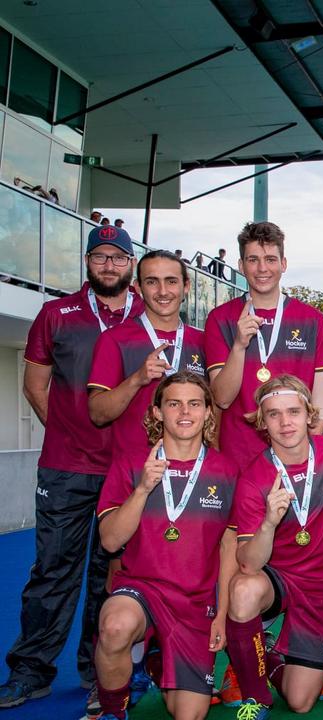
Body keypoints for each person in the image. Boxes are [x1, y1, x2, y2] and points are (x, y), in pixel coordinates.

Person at [1, 225, 142, 712]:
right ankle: (30, 670)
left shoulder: (149, 316)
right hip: (67, 467)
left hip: (125, 470)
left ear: (130, 264)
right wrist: (68, 429)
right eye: (99, 256)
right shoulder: (55, 314)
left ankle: (96, 672)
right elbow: (34, 385)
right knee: (53, 570)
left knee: (113, 575)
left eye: (117, 258)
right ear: (87, 262)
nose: (109, 265)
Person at [223, 375, 323, 719]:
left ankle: (269, 656)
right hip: (275, 577)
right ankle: (256, 697)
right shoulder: (254, 478)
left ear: (309, 414)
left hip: (319, 585)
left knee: (301, 702)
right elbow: (247, 562)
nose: (285, 422)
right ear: (262, 423)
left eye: (292, 411)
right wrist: (268, 524)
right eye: (273, 414)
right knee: (243, 590)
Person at [92, 372, 238, 720]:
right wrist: (142, 489)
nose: (184, 412)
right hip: (142, 590)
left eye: (194, 404)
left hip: (195, 602)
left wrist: (222, 615)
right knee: (114, 627)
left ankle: (157, 659)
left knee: (189, 714)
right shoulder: (130, 464)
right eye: (173, 403)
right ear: (157, 412)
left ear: (207, 412)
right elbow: (110, 539)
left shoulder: (228, 471)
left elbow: (229, 546)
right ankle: (113, 711)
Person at [205, 222, 323, 470]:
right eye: (253, 260)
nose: (262, 268)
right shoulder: (220, 318)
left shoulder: (312, 320)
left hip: (296, 457)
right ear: (241, 266)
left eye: (270, 259)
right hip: (238, 459)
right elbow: (222, 399)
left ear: (283, 263)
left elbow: (322, 399)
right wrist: (239, 346)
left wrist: (305, 450)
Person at [89, 249, 207, 460]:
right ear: (138, 287)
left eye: (171, 281)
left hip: (193, 472)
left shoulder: (203, 341)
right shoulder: (115, 339)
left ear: (186, 286)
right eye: (152, 282)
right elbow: (97, 414)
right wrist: (137, 379)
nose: (163, 291)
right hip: (134, 472)